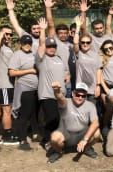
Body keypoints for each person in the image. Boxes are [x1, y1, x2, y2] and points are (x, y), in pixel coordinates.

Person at [36, 18, 70, 149]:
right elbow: (41, 46)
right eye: (49, 46)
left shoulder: (59, 58)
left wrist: (67, 76)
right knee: (52, 118)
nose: (51, 48)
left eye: (53, 46)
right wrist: (43, 31)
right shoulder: (42, 60)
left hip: (61, 95)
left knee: (60, 119)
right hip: (47, 95)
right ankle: (46, 140)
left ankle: (57, 139)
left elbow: (66, 72)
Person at [48, 82, 100, 163]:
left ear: (86, 96)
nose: (80, 98)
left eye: (83, 96)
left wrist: (85, 140)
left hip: (82, 134)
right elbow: (60, 97)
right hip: (66, 133)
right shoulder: (66, 102)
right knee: (55, 138)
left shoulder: (90, 105)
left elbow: (95, 122)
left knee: (97, 132)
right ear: (72, 93)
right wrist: (57, 90)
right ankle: (58, 151)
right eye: (77, 95)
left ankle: (86, 148)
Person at [9, 34, 38, 150]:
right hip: (24, 88)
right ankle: (22, 139)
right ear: (20, 44)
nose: (27, 45)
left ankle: (36, 134)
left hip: (36, 88)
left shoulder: (34, 54)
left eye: (29, 43)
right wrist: (30, 70)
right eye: (25, 43)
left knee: (34, 113)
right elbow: (12, 73)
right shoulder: (17, 55)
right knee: (24, 114)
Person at [73, 15, 103, 103]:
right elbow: (75, 42)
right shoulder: (78, 53)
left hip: (93, 89)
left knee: (92, 110)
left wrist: (98, 86)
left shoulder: (95, 55)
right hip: (80, 88)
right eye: (83, 42)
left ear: (91, 43)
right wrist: (78, 27)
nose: (85, 44)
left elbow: (99, 70)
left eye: (87, 42)